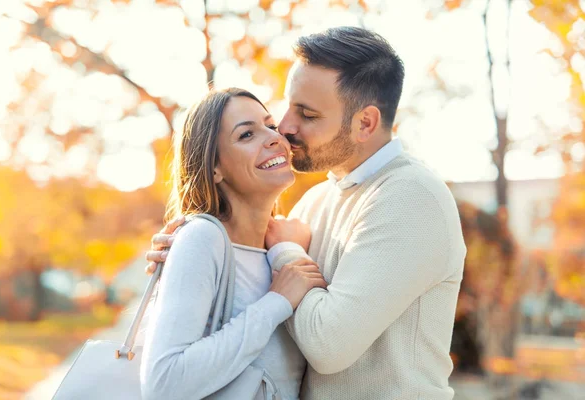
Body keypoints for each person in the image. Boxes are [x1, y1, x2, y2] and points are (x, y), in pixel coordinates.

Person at [147, 27, 467, 400]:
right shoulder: (316, 201)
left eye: (308, 114)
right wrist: (182, 250)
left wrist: (286, 252)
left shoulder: (410, 197)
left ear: (365, 123)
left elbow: (329, 346)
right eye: (288, 106)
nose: (285, 127)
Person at [139, 87, 327, 400]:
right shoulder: (204, 238)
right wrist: (276, 303)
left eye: (270, 124)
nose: (272, 138)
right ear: (214, 168)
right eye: (246, 135)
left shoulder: (281, 245)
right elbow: (163, 385)